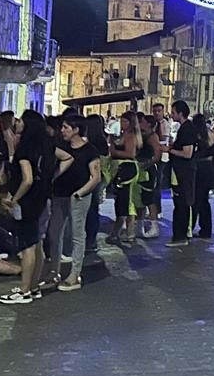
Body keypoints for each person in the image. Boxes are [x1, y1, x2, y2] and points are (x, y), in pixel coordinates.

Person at [0, 112, 52, 305]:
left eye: (20, 120)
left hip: (27, 202)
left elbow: (27, 179)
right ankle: (34, 286)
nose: (17, 123)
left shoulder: (25, 150)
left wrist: (15, 198)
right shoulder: (45, 147)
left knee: (27, 245)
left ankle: (24, 290)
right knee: (37, 243)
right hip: (41, 199)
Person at [47, 115, 99, 291]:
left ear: (76, 130)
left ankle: (75, 274)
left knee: (77, 235)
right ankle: (54, 271)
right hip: (59, 195)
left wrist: (80, 193)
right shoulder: (61, 147)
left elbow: (96, 177)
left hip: (79, 196)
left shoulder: (90, 150)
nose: (62, 131)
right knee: (54, 233)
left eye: (66, 127)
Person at [108, 111, 144, 247]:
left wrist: (114, 152)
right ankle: (127, 233)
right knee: (126, 202)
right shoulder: (128, 134)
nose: (122, 124)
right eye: (121, 121)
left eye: (125, 121)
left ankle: (123, 233)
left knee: (125, 203)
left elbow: (130, 153)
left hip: (127, 170)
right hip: (128, 169)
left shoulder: (130, 135)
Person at [168, 100, 200, 247]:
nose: (171, 114)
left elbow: (187, 153)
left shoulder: (187, 129)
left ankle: (181, 236)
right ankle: (181, 234)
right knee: (180, 203)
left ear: (180, 113)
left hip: (184, 172)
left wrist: (170, 150)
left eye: (173, 112)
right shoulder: (185, 128)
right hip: (180, 171)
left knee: (182, 204)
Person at [81, 114, 109, 258]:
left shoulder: (90, 143)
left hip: (90, 178)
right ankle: (91, 240)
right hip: (97, 178)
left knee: (89, 209)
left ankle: (89, 239)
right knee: (93, 209)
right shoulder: (102, 141)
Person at [192, 114, 214, 238]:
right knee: (204, 200)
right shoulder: (211, 134)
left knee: (195, 200)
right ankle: (206, 229)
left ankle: (190, 226)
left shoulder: (196, 135)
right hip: (209, 169)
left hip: (199, 169)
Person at [138, 113, 164, 239]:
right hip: (143, 168)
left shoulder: (153, 137)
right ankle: (140, 225)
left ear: (148, 124)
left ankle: (154, 227)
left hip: (149, 170)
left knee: (149, 198)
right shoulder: (143, 135)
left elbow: (157, 154)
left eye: (142, 121)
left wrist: (146, 164)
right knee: (142, 197)